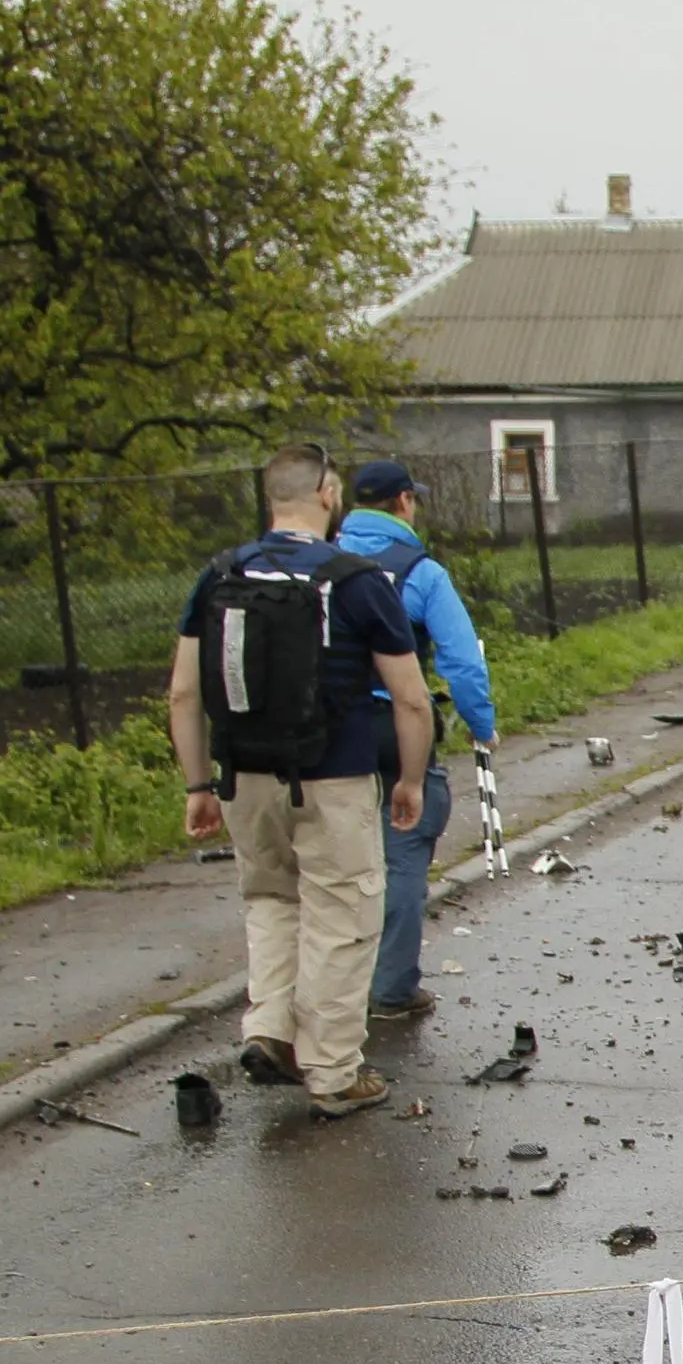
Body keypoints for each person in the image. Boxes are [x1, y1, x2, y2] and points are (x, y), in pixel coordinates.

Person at [167, 445, 430, 1119]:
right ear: (329, 493)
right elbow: (410, 698)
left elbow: (182, 694)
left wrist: (199, 784)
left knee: (273, 903)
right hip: (333, 780)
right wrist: (410, 779)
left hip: (244, 780)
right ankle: (335, 1073)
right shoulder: (354, 578)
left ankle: (269, 1031)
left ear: (269, 498)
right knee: (343, 919)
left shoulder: (219, 574)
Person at [338, 458, 496, 1022]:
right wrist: (482, 724)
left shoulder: (321, 562)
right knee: (403, 854)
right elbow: (460, 660)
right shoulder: (420, 572)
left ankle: (325, 994)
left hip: (323, 734)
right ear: (405, 502)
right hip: (395, 727)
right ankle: (391, 990)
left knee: (332, 861)